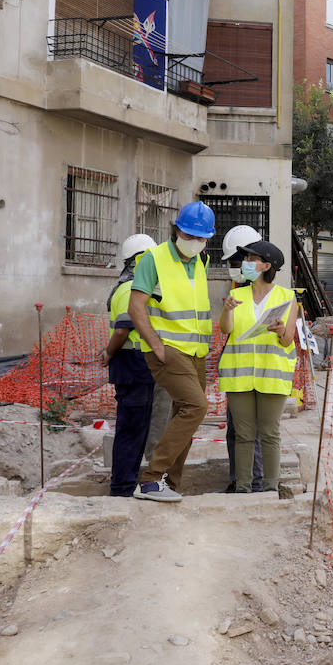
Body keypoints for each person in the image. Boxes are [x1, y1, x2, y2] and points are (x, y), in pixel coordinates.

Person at [126, 202, 216, 502]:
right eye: (191, 236)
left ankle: (171, 483)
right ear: (177, 230)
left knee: (184, 412)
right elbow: (135, 307)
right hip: (168, 350)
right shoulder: (153, 260)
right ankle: (150, 479)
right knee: (197, 406)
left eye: (202, 239)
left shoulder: (200, 261)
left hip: (196, 352)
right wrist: (156, 346)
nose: (196, 243)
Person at [218, 239, 298, 493]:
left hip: (271, 377)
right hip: (239, 377)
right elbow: (226, 330)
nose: (246, 263)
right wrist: (227, 310)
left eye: (251, 259)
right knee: (243, 435)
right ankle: (243, 488)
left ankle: (270, 488)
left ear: (266, 265)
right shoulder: (236, 295)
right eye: (246, 259)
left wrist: (281, 329)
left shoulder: (287, 297)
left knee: (269, 434)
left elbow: (287, 341)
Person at [97, 233, 158, 497]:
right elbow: (123, 330)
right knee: (131, 430)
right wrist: (109, 353)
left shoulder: (135, 288)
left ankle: (126, 483)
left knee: (137, 429)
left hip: (136, 365)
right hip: (132, 364)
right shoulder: (130, 290)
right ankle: (121, 488)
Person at [218, 224, 265, 493]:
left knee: (251, 434)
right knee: (235, 431)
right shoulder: (239, 290)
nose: (237, 267)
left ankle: (255, 484)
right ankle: (239, 480)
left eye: (240, 261)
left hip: (256, 375)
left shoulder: (266, 294)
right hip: (236, 373)